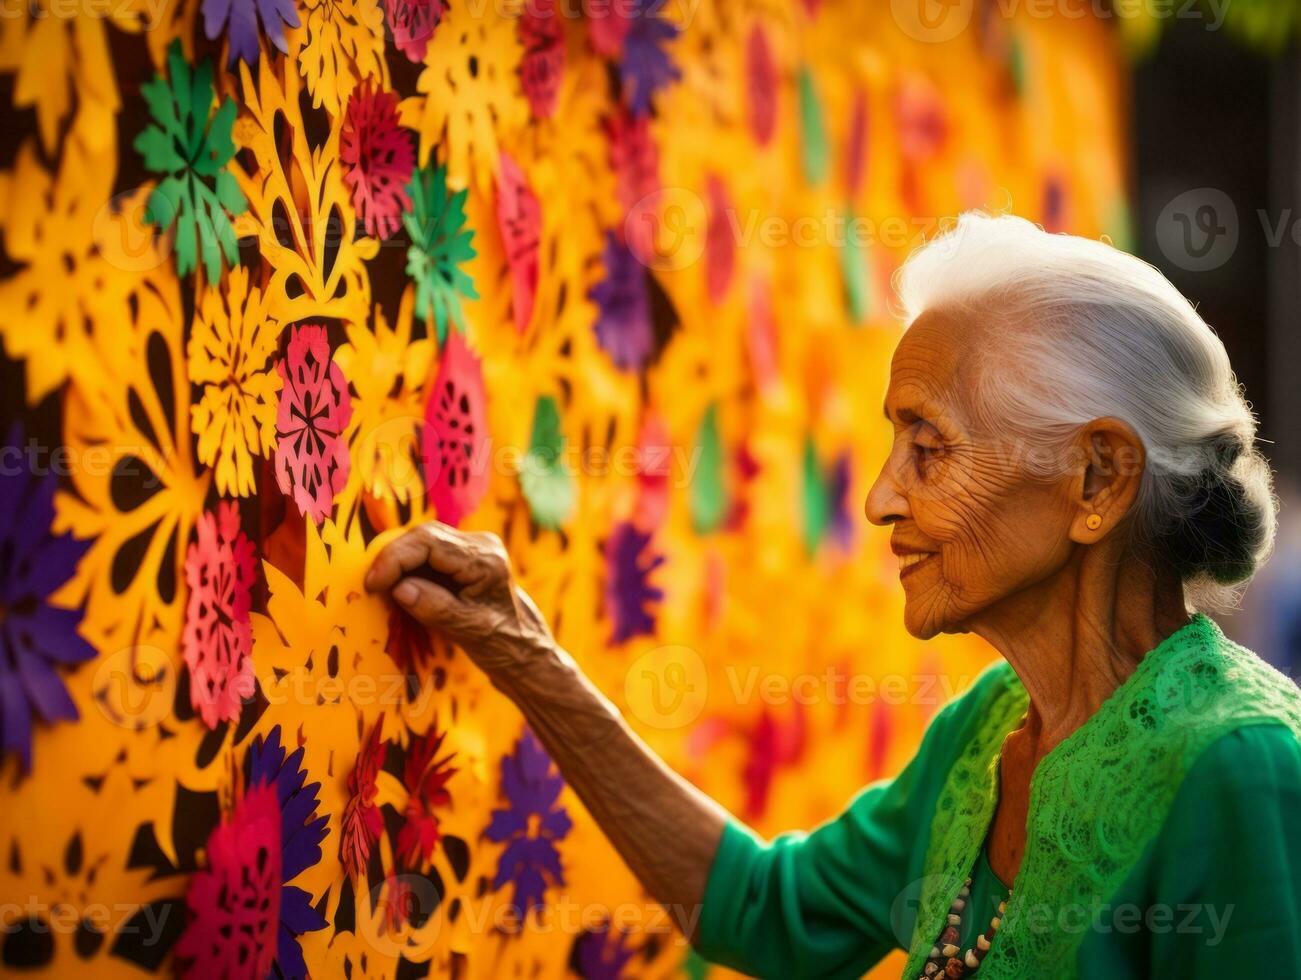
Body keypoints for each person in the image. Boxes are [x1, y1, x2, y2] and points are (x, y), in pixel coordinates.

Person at [365, 213, 1301, 977]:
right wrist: (522, 650)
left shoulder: (1237, 764)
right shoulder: (987, 736)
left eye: (928, 448)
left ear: (1097, 480)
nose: (879, 497)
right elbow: (767, 912)